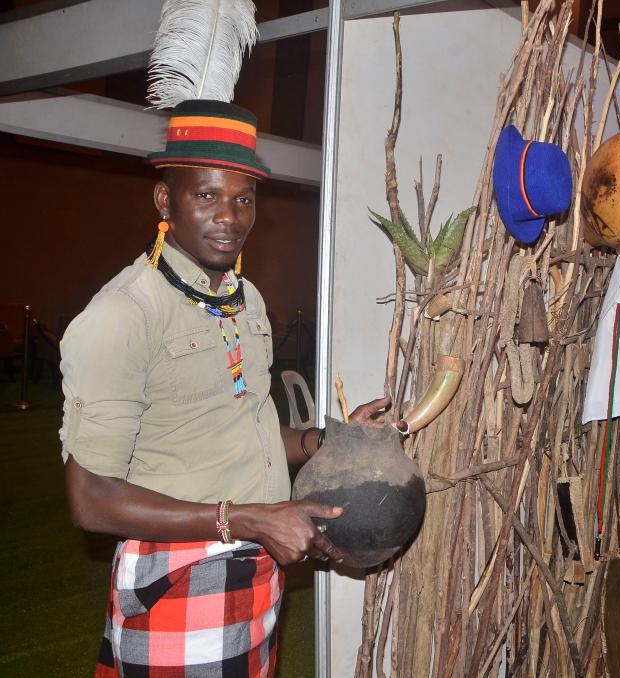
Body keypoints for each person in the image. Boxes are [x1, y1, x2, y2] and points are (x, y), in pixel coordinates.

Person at [59, 99, 389, 677]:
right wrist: (252, 520)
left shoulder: (245, 299)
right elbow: (90, 498)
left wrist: (330, 441)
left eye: (243, 198)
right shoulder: (124, 315)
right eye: (206, 195)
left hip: (254, 568)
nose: (229, 217)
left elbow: (249, 427)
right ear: (166, 200)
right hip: (177, 577)